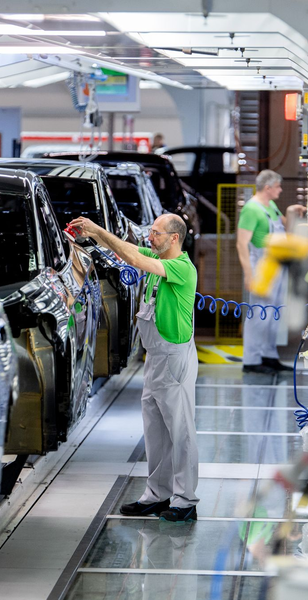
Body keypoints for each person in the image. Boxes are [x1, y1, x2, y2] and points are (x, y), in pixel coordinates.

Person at [70, 213, 199, 522]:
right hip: (155, 358)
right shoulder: (157, 256)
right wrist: (91, 235)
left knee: (180, 432)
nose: (149, 237)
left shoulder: (180, 267)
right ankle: (157, 494)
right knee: (155, 430)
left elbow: (133, 258)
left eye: (155, 233)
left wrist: (99, 229)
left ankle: (185, 500)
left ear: (174, 238)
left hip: (174, 358)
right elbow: (123, 250)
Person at [236, 169, 307, 374]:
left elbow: (285, 226)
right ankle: (251, 360)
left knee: (274, 313)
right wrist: (249, 274)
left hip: (277, 263)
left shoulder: (271, 205)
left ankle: (268, 356)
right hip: (261, 265)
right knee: (259, 313)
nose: (280, 190)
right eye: (278, 187)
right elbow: (242, 244)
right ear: (268, 188)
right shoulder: (251, 209)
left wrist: (292, 211)